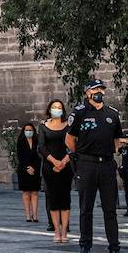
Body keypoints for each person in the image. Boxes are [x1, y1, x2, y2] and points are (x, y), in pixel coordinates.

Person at [66, 79, 128, 253]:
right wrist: (80, 156)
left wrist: (113, 152)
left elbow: (117, 139)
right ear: (87, 93)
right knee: (86, 208)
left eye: (101, 89)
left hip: (107, 164)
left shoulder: (112, 114)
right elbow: (69, 139)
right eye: (95, 89)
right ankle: (85, 246)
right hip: (87, 164)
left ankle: (114, 248)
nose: (99, 92)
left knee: (110, 209)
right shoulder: (79, 113)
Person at [37, 100, 73, 242]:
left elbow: (73, 145)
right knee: (52, 198)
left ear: (63, 110)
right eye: (54, 107)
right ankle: (56, 231)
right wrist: (54, 161)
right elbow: (41, 147)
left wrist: (63, 161)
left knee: (65, 199)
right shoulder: (43, 127)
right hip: (49, 166)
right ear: (49, 109)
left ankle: (64, 232)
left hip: (66, 166)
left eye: (59, 107)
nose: (56, 109)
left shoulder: (69, 126)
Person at [17, 122, 41, 222]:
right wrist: (28, 167)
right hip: (23, 169)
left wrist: (34, 167)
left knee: (35, 192)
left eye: (30, 130)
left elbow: (39, 155)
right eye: (26, 130)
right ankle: (27, 215)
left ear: (33, 131)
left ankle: (35, 215)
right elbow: (20, 156)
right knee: (26, 192)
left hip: (35, 169)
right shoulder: (21, 141)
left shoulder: (37, 141)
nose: (28, 132)